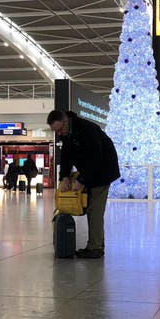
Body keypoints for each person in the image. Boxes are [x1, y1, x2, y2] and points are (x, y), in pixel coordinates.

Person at [47, 110, 120, 259]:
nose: (59, 134)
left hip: (103, 171)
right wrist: (65, 177)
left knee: (94, 210)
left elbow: (95, 158)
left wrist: (81, 180)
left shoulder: (87, 129)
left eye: (60, 129)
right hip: (91, 170)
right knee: (92, 208)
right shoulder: (67, 133)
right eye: (56, 131)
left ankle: (95, 248)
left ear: (66, 121)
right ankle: (98, 243)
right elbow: (66, 156)